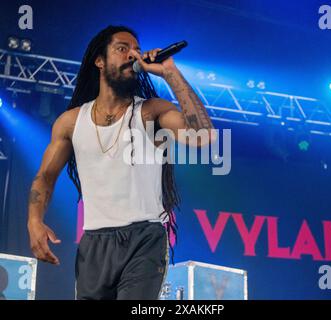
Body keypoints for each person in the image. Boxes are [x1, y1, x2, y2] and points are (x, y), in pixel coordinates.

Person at [27, 25, 215, 300]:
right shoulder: (71, 122)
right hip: (93, 242)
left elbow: (203, 136)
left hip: (144, 238)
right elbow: (45, 177)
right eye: (122, 48)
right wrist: (34, 221)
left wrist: (170, 73)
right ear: (99, 61)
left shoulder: (152, 111)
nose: (133, 55)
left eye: (137, 50)